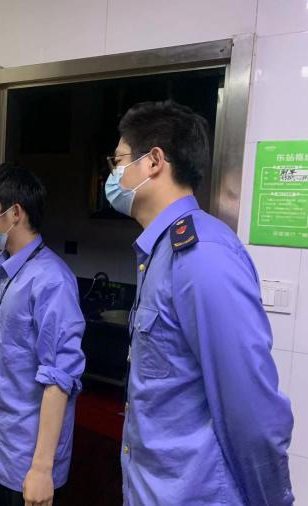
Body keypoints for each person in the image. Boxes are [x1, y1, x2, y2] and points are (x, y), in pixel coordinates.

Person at [105, 100, 294, 505]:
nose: (113, 174)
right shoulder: (161, 250)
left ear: (154, 161)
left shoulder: (202, 254)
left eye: (118, 161)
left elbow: (251, 410)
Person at [0, 163, 86, 506]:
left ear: (15, 213)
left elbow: (60, 377)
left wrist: (42, 469)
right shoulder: (2, 268)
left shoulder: (52, 281)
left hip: (26, 459)